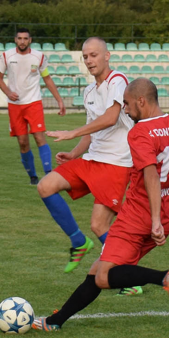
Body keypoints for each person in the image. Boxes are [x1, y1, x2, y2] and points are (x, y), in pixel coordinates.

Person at [33, 78, 169, 332]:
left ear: (141, 101)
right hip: (165, 215)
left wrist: (152, 220)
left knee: (104, 276)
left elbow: (150, 174)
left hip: (137, 216)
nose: (126, 111)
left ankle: (163, 276)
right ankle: (54, 322)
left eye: (128, 104)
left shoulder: (140, 133)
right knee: (99, 269)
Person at [38, 38, 134, 275]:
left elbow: (111, 117)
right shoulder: (89, 91)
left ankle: (130, 278)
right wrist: (73, 153)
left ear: (107, 56)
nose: (89, 61)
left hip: (116, 164)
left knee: (99, 225)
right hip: (92, 159)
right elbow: (92, 131)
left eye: (94, 55)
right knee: (45, 186)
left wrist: (71, 132)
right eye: (85, 57)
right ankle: (78, 242)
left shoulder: (118, 81)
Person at [0, 28, 66, 185]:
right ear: (15, 39)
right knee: (22, 142)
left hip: (33, 102)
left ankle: (49, 174)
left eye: (25, 38)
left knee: (39, 136)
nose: (22, 41)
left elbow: (47, 78)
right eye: (19, 38)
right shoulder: (6, 56)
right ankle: (33, 176)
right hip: (15, 105)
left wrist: (59, 100)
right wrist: (8, 92)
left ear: (30, 40)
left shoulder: (39, 57)